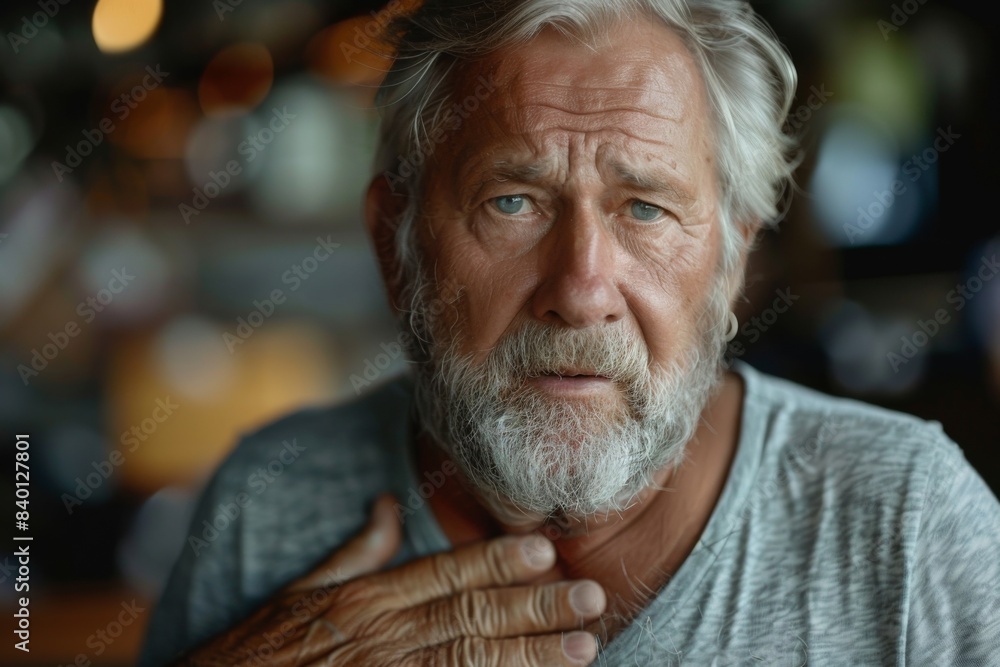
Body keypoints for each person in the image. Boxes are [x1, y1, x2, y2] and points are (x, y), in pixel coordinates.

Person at [139, 0, 1000, 665]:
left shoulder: (907, 522)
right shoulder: (270, 503)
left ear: (733, 262)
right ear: (393, 246)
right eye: (512, 201)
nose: (581, 291)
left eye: (646, 208)